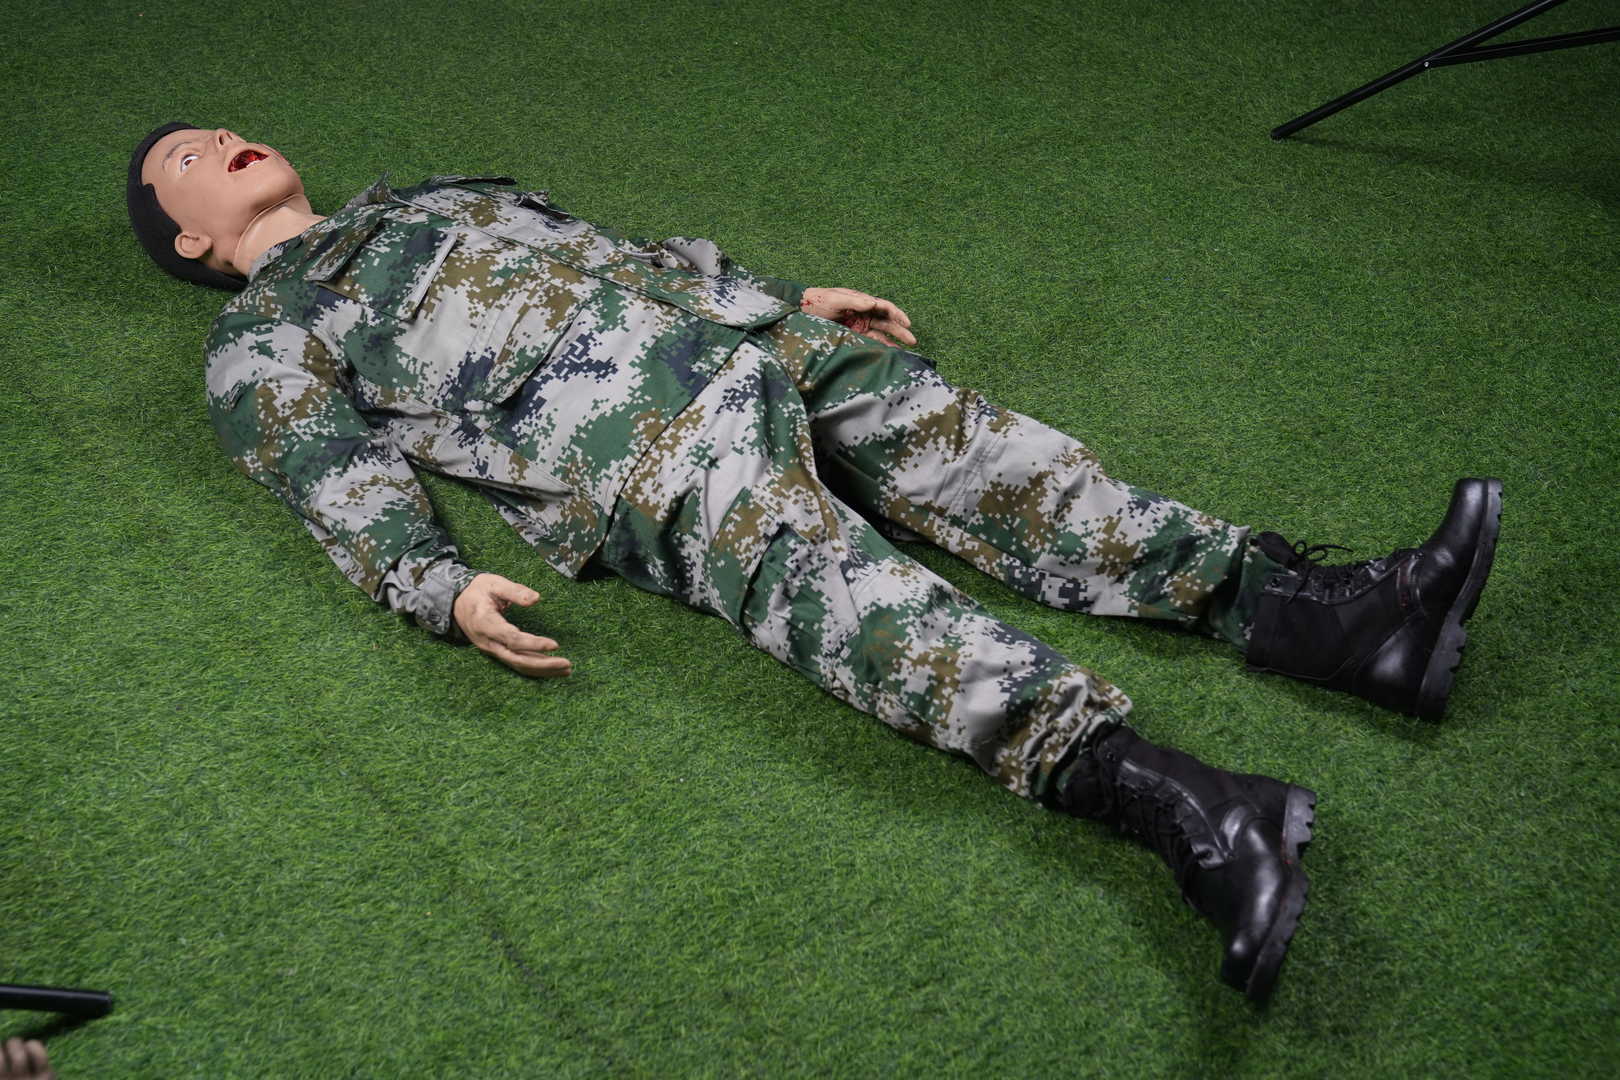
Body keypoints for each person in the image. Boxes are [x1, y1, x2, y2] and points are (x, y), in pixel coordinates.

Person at [126, 122, 1502, 1003]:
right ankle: (1187, 810)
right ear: (190, 241)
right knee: (858, 610)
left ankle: (1323, 616)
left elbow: (619, 256)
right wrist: (433, 582)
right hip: (643, 454)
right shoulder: (262, 338)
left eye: (226, 128)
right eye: (190, 155)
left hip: (752, 345)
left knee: (993, 461)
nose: (226, 140)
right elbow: (329, 472)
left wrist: (783, 299)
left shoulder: (441, 194)